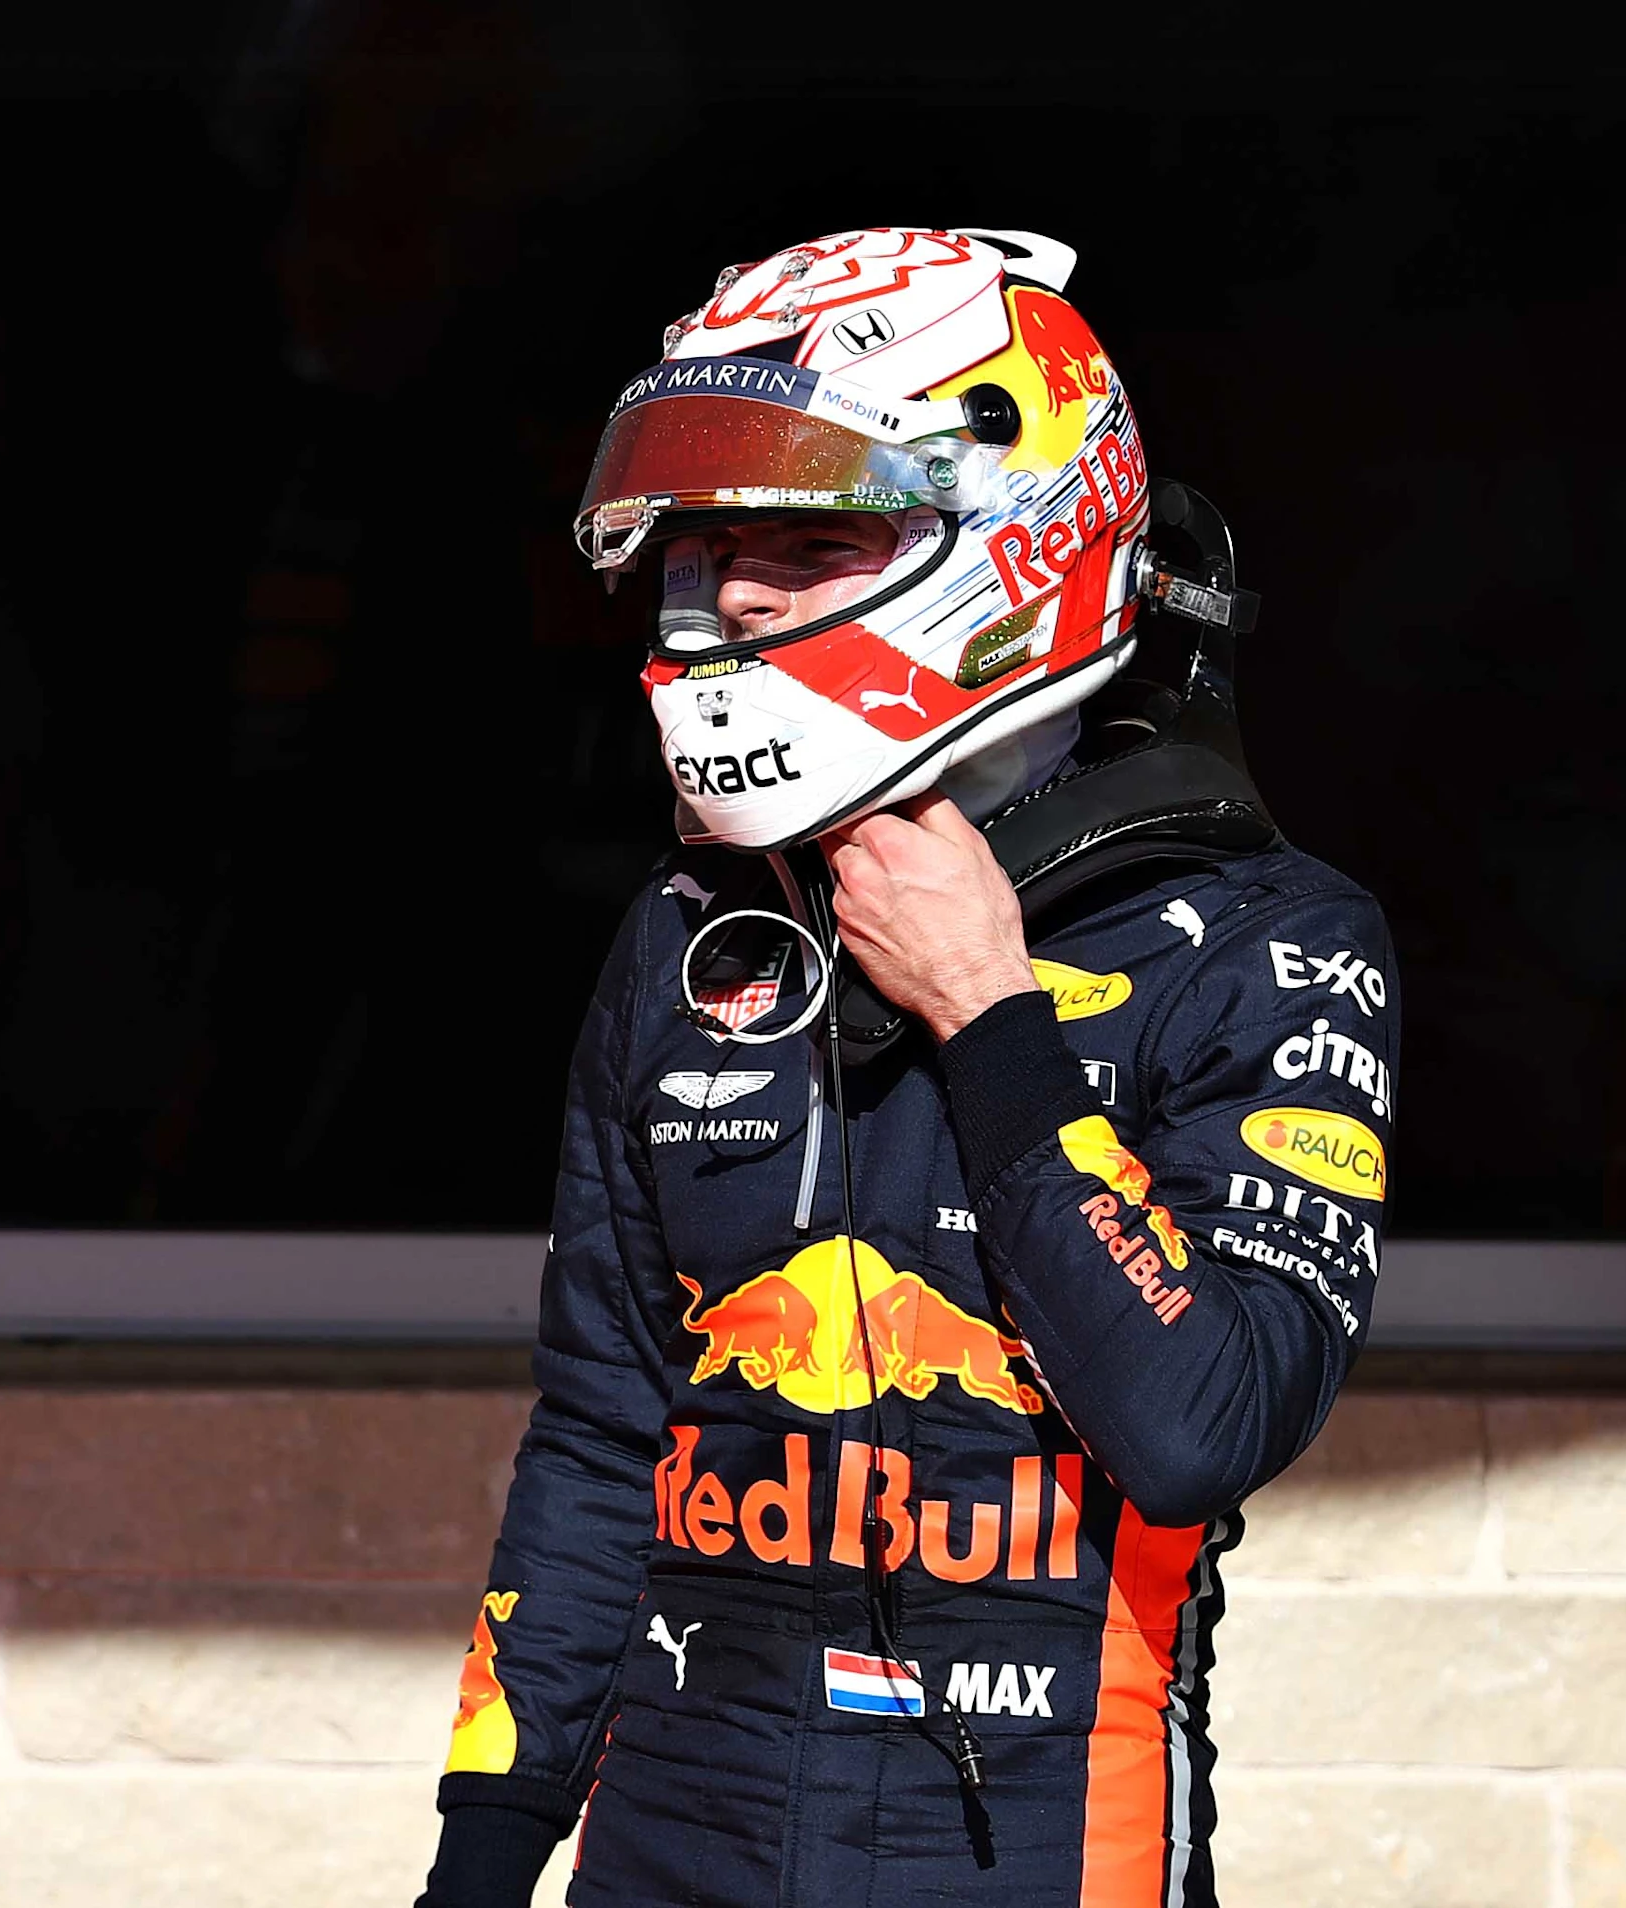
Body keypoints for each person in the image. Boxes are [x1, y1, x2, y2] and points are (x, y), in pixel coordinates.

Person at [415, 228, 1397, 1906]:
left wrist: (990, 1013)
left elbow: (1201, 1426)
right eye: (712, 549)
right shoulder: (692, 933)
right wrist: (482, 1857)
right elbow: (598, 1436)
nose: (734, 597)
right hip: (676, 1832)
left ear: (1014, 545)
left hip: (1035, 1836)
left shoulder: (1268, 939)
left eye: (809, 543)